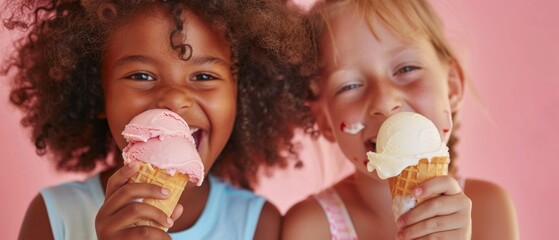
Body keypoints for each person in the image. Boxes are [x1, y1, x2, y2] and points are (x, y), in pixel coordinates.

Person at [1, 0, 313, 239]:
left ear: (241, 97)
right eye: (141, 75)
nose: (175, 98)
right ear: (98, 93)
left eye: (204, 75)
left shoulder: (258, 224)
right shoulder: (55, 216)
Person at [282, 0, 519, 239]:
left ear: (451, 86)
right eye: (349, 85)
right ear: (324, 120)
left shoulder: (489, 208)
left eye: (406, 69)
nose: (384, 102)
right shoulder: (309, 227)